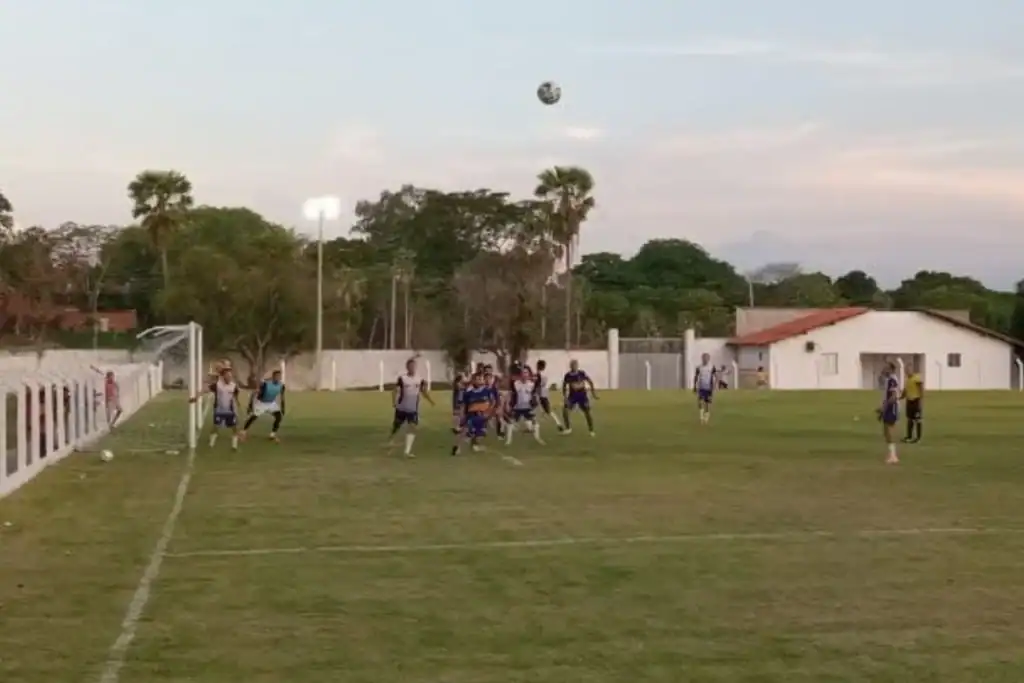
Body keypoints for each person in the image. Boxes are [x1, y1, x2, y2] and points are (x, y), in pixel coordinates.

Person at [389, 357, 434, 458]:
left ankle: (407, 451)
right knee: (397, 425)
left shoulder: (419, 379)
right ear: (407, 367)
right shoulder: (402, 379)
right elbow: (395, 390)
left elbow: (423, 391)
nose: (412, 368)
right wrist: (394, 402)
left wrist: (430, 401)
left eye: (414, 366)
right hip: (402, 407)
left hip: (413, 408)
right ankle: (391, 438)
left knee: (412, 427)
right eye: (410, 366)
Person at [454, 372, 493, 455]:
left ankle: (474, 445)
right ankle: (457, 447)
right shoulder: (469, 393)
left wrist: (489, 413)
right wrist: (462, 416)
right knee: (465, 430)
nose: (479, 381)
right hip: (472, 415)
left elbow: (492, 402)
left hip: (483, 416)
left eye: (481, 379)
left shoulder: (487, 391)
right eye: (477, 379)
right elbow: (464, 405)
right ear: (474, 381)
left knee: (479, 434)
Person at [242, 369, 286, 442]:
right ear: (273, 377)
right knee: (254, 417)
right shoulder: (266, 384)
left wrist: (283, 407)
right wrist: (250, 404)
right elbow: (256, 392)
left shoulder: (281, 385)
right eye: (276, 376)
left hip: (271, 403)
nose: (278, 378)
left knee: (279, 416)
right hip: (262, 403)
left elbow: (282, 397)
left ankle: (272, 434)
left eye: (279, 376)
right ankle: (243, 431)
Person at [505, 366, 545, 446]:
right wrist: (507, 404)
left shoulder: (531, 384)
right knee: (510, 423)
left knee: (535, 422)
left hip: (528, 407)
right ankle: (508, 441)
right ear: (520, 374)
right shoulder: (515, 384)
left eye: (526, 372)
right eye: (523, 372)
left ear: (529, 374)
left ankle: (538, 439)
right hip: (517, 407)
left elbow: (535, 395)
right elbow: (510, 393)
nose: (524, 374)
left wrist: (537, 406)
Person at [208, 367, 241, 450]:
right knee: (216, 426)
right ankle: (211, 444)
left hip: (230, 411)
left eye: (230, 375)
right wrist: (196, 397)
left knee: (234, 427)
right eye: (227, 375)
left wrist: (237, 405)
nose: (230, 376)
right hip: (219, 410)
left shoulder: (234, 386)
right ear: (223, 376)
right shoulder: (217, 385)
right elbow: (206, 389)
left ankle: (234, 446)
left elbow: (235, 397)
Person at [562, 360, 597, 436]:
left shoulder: (582, 373)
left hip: (582, 396)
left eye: (575, 365)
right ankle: (568, 429)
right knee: (565, 411)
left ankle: (591, 430)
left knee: (587, 412)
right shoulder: (568, 375)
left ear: (577, 366)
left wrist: (593, 393)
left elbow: (590, 381)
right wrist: (564, 397)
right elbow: (564, 386)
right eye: (572, 365)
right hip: (572, 396)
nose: (574, 366)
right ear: (570, 366)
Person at [878, 362, 900, 464]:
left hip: (891, 408)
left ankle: (893, 456)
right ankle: (892, 454)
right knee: (886, 431)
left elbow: (894, 396)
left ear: (891, 369)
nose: (884, 369)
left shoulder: (892, 380)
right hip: (888, 408)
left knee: (889, 430)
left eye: (886, 368)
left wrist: (885, 407)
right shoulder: (889, 380)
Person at [532, 359, 564, 431]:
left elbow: (537, 385)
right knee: (548, 411)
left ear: (538, 366)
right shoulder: (544, 375)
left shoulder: (538, 375)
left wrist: (535, 394)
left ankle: (533, 426)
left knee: (533, 410)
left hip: (539, 395)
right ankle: (558, 423)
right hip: (544, 394)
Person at [693, 354, 717, 425]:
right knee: (700, 402)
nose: (705, 359)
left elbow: (716, 376)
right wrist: (695, 386)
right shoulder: (699, 367)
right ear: (702, 359)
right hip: (701, 387)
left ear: (708, 359)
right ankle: (701, 417)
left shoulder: (712, 367)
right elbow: (696, 376)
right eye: (703, 358)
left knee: (707, 403)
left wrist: (715, 385)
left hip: (709, 388)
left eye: (706, 358)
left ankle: (706, 418)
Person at [902, 365, 923, 443]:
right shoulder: (907, 379)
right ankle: (909, 436)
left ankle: (918, 438)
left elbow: (921, 389)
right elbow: (905, 390)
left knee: (917, 420)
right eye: (906, 370)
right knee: (909, 419)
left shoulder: (917, 378)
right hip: (909, 401)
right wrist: (900, 397)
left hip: (916, 401)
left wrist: (920, 400)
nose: (907, 371)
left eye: (908, 370)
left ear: (912, 370)